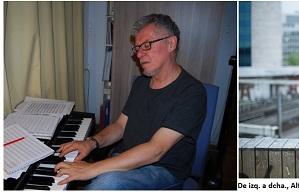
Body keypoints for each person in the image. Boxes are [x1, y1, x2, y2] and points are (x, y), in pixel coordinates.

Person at [53, 14, 206, 189]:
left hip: (162, 170)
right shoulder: (141, 83)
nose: (139, 54)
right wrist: (91, 142)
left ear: (171, 43)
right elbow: (120, 126)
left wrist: (92, 169)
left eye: (146, 45)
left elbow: (156, 150)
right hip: (126, 156)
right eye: (137, 48)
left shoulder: (192, 92)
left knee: (107, 183)